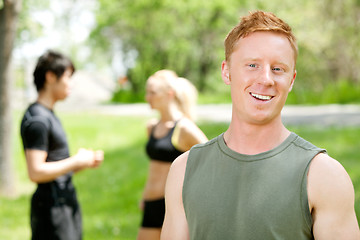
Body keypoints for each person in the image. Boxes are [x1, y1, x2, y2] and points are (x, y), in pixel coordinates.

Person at [161, 10, 360, 240]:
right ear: (226, 72)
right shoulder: (184, 171)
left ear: (291, 80)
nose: (266, 79)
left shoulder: (324, 176)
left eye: (278, 69)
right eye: (252, 65)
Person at [20, 50, 104, 240]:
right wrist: (75, 160)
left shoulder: (47, 114)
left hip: (64, 203)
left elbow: (53, 165)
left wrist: (83, 163)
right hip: (52, 208)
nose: (71, 83)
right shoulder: (38, 120)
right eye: (67, 76)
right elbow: (36, 172)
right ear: (50, 77)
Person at [137, 70, 208, 240]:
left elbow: (210, 158)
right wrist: (145, 197)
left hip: (172, 205)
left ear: (169, 94)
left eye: (152, 92)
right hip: (151, 203)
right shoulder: (152, 126)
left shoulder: (184, 128)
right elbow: (155, 168)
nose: (147, 97)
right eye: (147, 92)